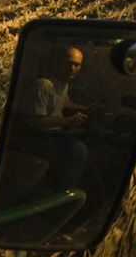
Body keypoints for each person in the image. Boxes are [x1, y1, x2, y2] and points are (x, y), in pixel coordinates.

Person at [16, 45, 92, 190]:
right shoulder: (43, 85)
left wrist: (85, 108)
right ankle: (56, 193)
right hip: (36, 137)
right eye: (68, 63)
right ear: (57, 62)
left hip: (53, 133)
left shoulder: (63, 83)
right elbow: (33, 121)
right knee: (78, 150)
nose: (72, 68)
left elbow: (64, 101)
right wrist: (67, 121)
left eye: (77, 65)